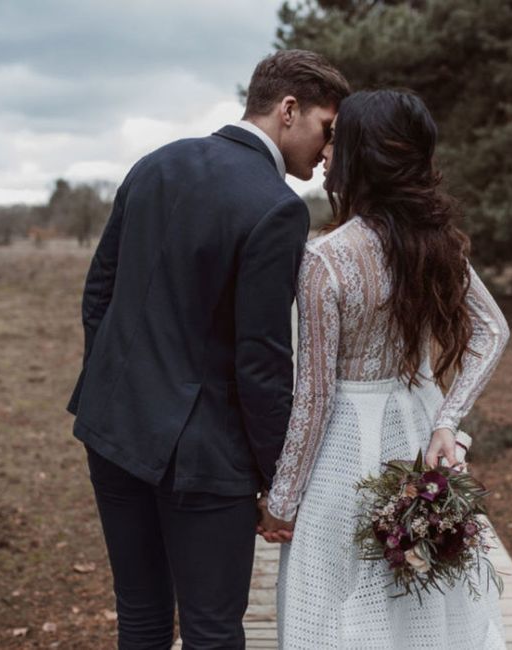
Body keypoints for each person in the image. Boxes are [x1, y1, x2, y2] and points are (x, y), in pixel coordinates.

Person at [65, 50, 349, 649]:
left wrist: (115, 385)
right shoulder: (276, 208)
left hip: (112, 431)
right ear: (289, 110)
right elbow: (263, 362)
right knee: (212, 631)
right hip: (204, 459)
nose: (328, 153)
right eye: (327, 129)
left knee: (140, 618)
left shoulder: (156, 164)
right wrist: (280, 479)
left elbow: (99, 294)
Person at [260, 89, 511, 649]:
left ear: (360, 156)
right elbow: (494, 330)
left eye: (336, 141)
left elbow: (316, 396)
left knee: (339, 601)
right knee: (417, 591)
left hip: (345, 451)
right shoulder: (437, 244)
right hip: (417, 432)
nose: (325, 153)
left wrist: (281, 501)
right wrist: (447, 421)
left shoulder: (326, 258)